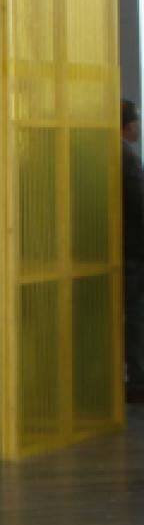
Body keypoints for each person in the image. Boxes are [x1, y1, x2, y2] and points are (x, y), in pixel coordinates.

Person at [124, 100, 144, 402]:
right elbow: (140, 204)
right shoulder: (127, 157)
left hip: (119, 247)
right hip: (134, 250)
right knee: (136, 314)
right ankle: (138, 381)